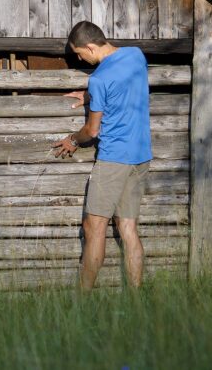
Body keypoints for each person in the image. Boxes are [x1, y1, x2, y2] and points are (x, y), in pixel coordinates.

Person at [51, 21, 152, 289]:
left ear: (91, 46)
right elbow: (122, 87)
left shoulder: (99, 79)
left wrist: (72, 139)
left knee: (93, 228)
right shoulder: (136, 55)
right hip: (141, 155)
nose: (80, 59)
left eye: (80, 54)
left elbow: (92, 131)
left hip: (114, 159)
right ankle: (136, 301)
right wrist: (90, 96)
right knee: (128, 228)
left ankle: (81, 304)